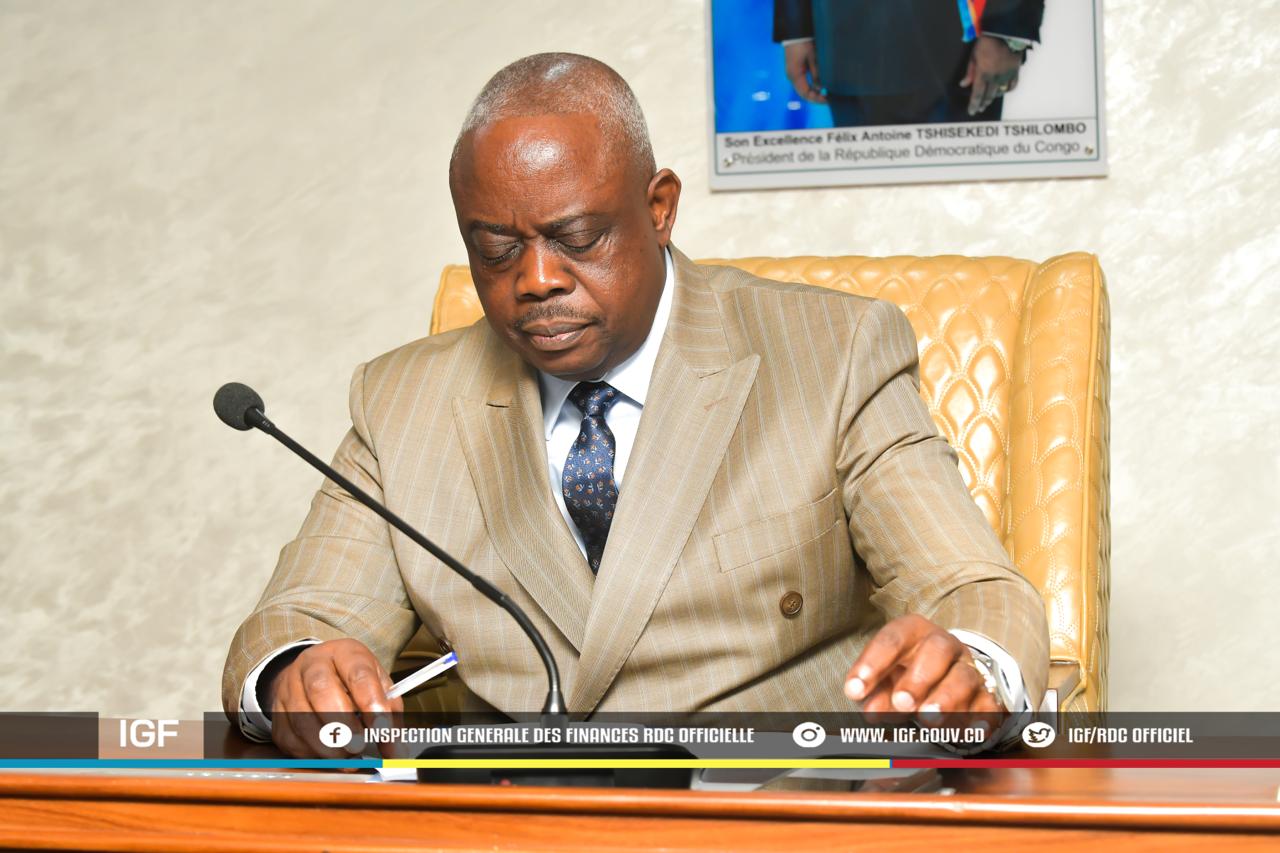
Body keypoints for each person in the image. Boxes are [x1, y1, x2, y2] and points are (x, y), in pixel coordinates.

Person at [222, 52, 1049, 758]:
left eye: (578, 238)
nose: (536, 279)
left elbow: (973, 586)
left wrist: (971, 666)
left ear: (659, 208)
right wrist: (298, 671)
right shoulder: (401, 400)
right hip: (516, 818)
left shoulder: (833, 353)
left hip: (771, 808)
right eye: (496, 249)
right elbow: (295, 618)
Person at [774, 0, 1045, 126]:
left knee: (962, 207)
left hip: (957, 54)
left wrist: (1007, 30)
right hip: (845, 41)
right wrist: (797, 27)